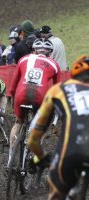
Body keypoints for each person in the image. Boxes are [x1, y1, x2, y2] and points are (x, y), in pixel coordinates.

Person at [27, 55, 89, 200]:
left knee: (57, 193)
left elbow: (32, 139)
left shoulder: (59, 89)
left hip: (72, 153)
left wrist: (41, 157)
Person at [7, 38, 61, 168]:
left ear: (34, 50)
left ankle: (10, 160)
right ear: (50, 52)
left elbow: (12, 88)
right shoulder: (54, 64)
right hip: (39, 97)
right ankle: (34, 156)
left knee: (18, 123)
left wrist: (14, 102)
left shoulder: (23, 59)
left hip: (20, 95)